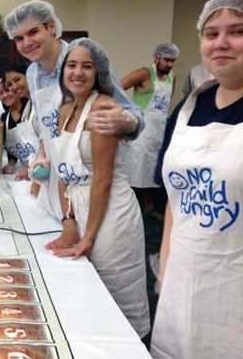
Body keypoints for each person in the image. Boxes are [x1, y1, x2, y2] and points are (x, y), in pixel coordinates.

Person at [151, 0, 243, 359]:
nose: (221, 43)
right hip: (182, 285)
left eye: (238, 31)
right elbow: (176, 198)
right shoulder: (189, 107)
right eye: (211, 34)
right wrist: (165, 269)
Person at [45, 37, 150, 341]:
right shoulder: (65, 111)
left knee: (112, 290)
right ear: (63, 71)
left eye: (87, 66)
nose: (78, 73)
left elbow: (103, 179)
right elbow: (64, 170)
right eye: (72, 65)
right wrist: (68, 222)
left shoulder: (103, 106)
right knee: (83, 291)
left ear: (98, 73)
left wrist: (88, 236)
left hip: (111, 213)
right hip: (80, 206)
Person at [3, 0, 144, 220]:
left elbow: (131, 111)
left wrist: (126, 122)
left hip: (94, 180)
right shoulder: (32, 73)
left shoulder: (80, 59)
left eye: (33, 32)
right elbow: (45, 124)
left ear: (51, 27)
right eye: (19, 38)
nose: (27, 43)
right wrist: (41, 154)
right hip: (58, 180)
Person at [122, 42, 179, 215]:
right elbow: (117, 87)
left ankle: (149, 206)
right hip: (142, 130)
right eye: (167, 60)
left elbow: (166, 104)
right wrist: (127, 113)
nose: (169, 65)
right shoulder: (144, 73)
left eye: (172, 61)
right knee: (136, 167)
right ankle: (129, 206)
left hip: (160, 129)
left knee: (153, 168)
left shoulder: (172, 77)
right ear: (157, 57)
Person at [2, 60, 40, 185]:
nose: (14, 87)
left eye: (17, 80)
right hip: (34, 175)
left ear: (30, 74)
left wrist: (30, 170)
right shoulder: (29, 107)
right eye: (9, 84)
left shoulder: (42, 104)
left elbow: (50, 149)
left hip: (42, 174)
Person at [0, 79, 25, 174]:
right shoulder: (5, 117)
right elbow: (11, 150)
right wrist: (10, 164)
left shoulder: (32, 111)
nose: (4, 95)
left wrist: (29, 168)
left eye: (7, 90)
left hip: (42, 169)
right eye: (0, 93)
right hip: (23, 170)